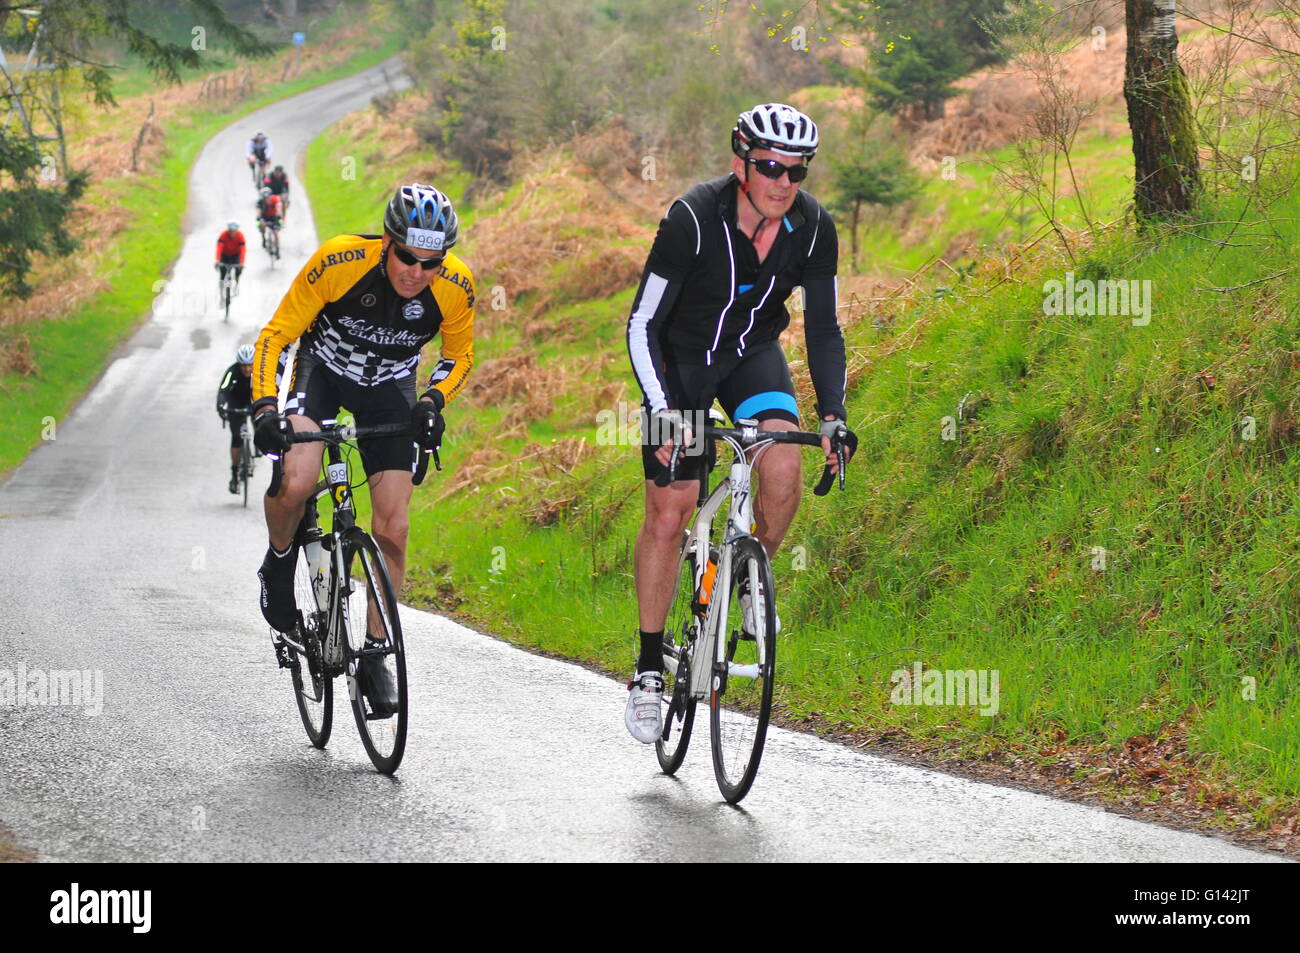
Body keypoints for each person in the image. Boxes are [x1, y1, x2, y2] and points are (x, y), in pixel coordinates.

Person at [623, 103, 854, 743]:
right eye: (770, 167)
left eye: (796, 171)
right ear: (741, 163)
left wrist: (833, 415)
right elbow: (641, 324)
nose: (783, 182)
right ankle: (647, 668)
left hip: (752, 357)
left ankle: (749, 579)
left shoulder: (812, 227)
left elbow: (823, 326)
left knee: (783, 465)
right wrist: (665, 412)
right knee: (671, 511)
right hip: (682, 365)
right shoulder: (693, 217)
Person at [249, 183, 474, 714]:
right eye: (407, 257)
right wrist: (263, 409)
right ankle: (279, 563)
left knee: (393, 525)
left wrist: (434, 401)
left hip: (390, 390)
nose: (417, 272)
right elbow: (276, 336)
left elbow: (459, 355)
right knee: (298, 483)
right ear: (387, 243)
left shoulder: (456, 286)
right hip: (322, 374)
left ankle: (375, 652)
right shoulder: (339, 260)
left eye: (431, 262)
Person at [217, 345, 256, 494]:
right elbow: (223, 389)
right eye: (243, 366)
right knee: (236, 439)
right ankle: (234, 475)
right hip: (235, 404)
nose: (247, 369)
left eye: (249, 365)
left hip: (252, 401)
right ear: (239, 364)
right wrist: (221, 406)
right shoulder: (232, 371)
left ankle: (258, 445)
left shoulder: (258, 371)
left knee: (260, 420)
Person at [215, 222, 246, 295]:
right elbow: (219, 248)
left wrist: (242, 263)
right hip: (225, 255)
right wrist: (217, 260)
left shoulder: (240, 235)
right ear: (228, 230)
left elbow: (243, 250)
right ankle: (221, 288)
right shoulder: (223, 234)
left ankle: (236, 284)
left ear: (236, 231)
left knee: (238, 270)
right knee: (222, 272)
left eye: (234, 231)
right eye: (231, 231)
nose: (232, 233)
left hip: (236, 255)